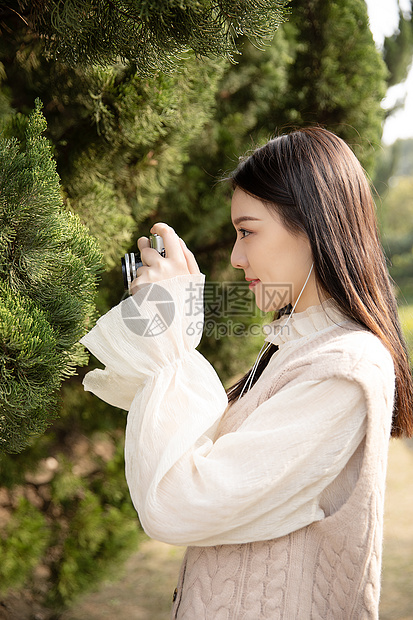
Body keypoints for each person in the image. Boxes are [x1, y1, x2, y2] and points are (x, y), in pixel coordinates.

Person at [80, 127, 413, 619]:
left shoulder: (345, 367)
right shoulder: (293, 346)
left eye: (247, 230)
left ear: (312, 226)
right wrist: (170, 319)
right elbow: (203, 443)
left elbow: (180, 502)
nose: (236, 258)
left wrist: (170, 334)